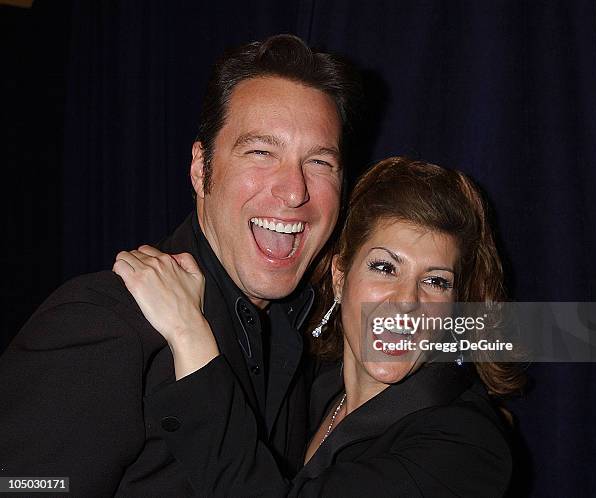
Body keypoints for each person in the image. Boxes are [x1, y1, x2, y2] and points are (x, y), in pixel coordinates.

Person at [0, 35, 361, 495]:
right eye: (261, 153)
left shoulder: (303, 331)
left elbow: (452, 339)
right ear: (200, 169)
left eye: (319, 162)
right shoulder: (108, 324)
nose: (295, 192)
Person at [116, 157, 525, 497]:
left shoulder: (465, 445)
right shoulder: (315, 387)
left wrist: (189, 332)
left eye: (436, 281)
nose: (407, 301)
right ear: (341, 275)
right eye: (384, 267)